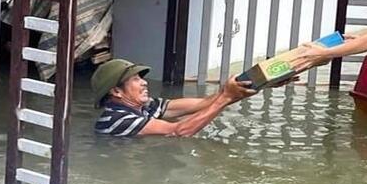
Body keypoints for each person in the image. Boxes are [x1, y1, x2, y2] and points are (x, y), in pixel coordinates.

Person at [91, 59, 257, 137]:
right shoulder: (118, 119)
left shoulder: (145, 106)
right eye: (135, 79)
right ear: (116, 92)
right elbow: (179, 131)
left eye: (141, 78)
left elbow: (204, 103)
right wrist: (227, 97)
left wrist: (256, 84)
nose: (144, 83)